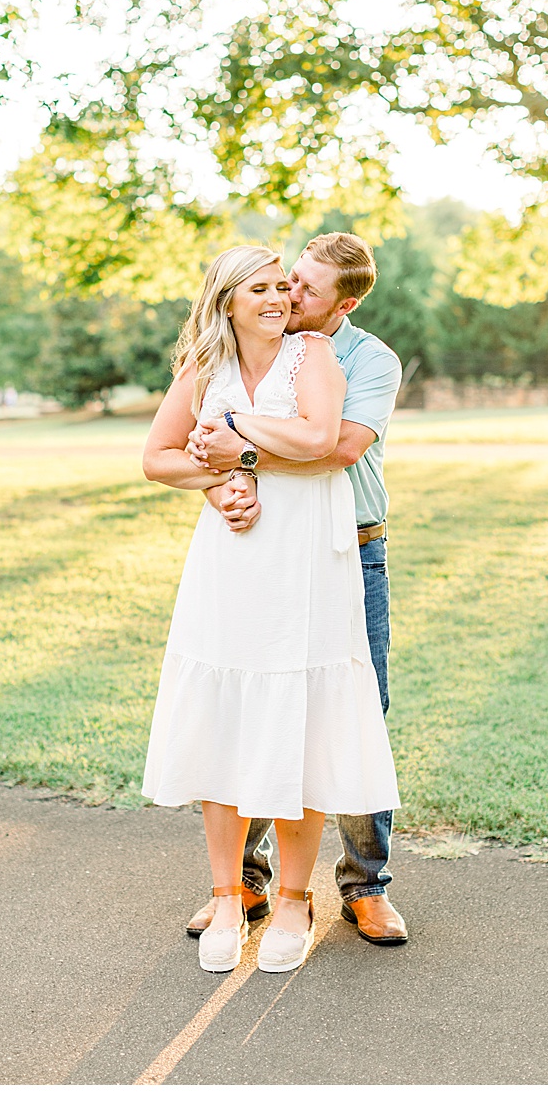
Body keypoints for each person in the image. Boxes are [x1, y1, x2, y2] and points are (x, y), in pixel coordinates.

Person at [141, 243, 400, 973]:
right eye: (271, 285)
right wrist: (213, 483)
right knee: (233, 718)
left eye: (294, 288)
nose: (285, 296)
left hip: (326, 550)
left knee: (327, 719)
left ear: (342, 301)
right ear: (227, 299)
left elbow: (329, 444)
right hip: (232, 560)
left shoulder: (335, 356)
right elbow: (159, 456)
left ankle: (339, 890)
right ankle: (234, 893)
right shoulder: (207, 363)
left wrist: (236, 440)